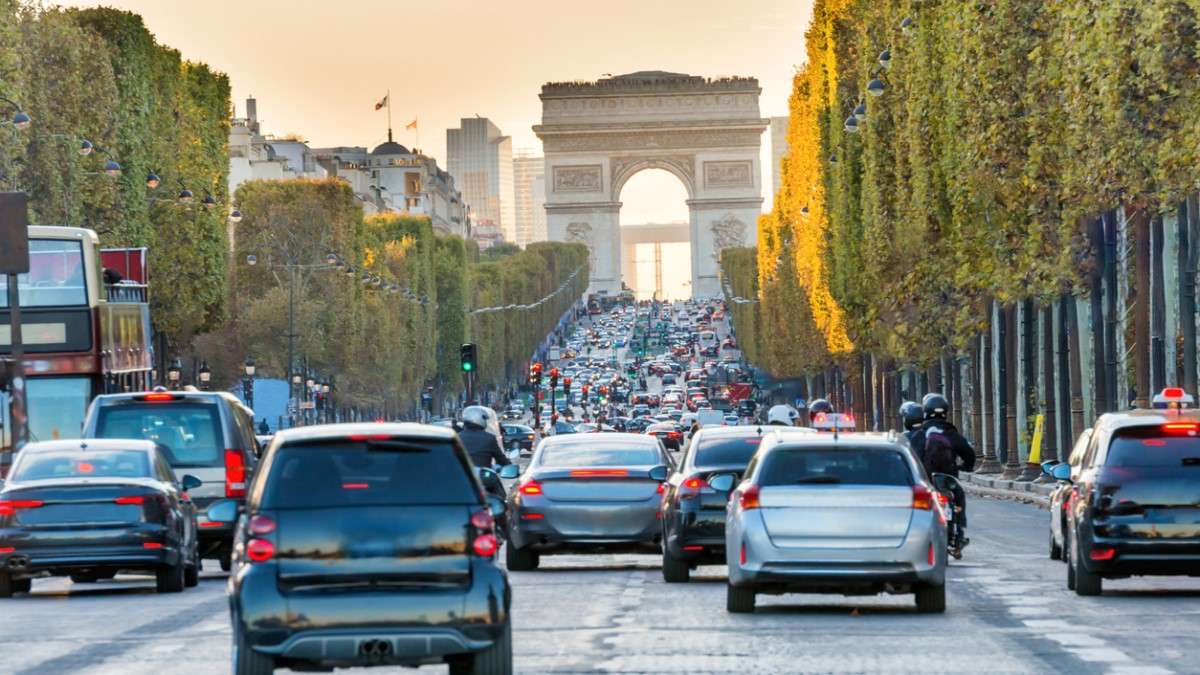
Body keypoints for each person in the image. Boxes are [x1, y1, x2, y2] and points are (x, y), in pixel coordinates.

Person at [911, 393, 975, 535]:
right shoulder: (951, 433)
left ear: (926, 412)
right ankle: (960, 526)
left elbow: (913, 456)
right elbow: (968, 453)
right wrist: (967, 466)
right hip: (948, 477)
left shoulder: (920, 433)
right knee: (958, 495)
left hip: (926, 479)